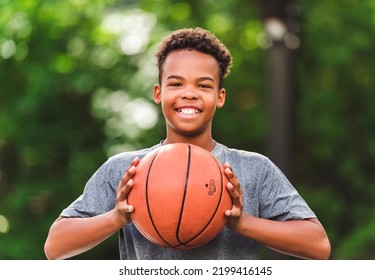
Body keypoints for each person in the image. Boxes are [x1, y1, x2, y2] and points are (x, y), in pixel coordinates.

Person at [44, 27, 331, 260]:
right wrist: (118, 216)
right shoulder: (126, 170)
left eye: (203, 85)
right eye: (176, 84)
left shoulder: (253, 169)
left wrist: (243, 223)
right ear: (158, 93)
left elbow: (318, 245)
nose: (189, 94)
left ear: (220, 97)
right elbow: (55, 247)